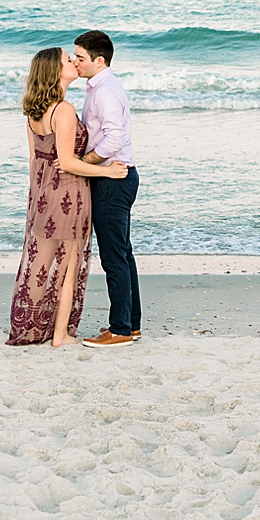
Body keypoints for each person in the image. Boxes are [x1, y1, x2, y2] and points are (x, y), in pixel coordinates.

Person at [8, 47, 126, 348]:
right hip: (69, 192)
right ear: (54, 71)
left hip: (44, 193)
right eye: (67, 60)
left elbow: (36, 159)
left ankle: (33, 326)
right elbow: (68, 161)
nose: (73, 62)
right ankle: (60, 334)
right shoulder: (62, 110)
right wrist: (108, 172)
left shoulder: (34, 110)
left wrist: (38, 197)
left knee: (43, 262)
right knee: (69, 264)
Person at [73, 29, 141, 348]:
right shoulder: (99, 87)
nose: (76, 62)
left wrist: (85, 161)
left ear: (99, 61)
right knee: (122, 254)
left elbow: (115, 139)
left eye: (81, 58)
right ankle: (131, 324)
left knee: (114, 257)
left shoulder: (105, 92)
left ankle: (121, 330)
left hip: (112, 179)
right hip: (117, 176)